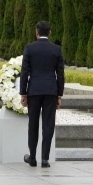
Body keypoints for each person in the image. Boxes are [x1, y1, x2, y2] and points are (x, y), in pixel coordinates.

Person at [20, 20, 65, 168]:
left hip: (34, 90)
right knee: (48, 124)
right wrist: (59, 95)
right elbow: (60, 74)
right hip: (51, 91)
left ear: (36, 32)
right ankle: (45, 158)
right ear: (50, 32)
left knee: (33, 124)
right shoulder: (56, 49)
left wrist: (23, 93)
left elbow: (25, 72)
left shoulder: (30, 48)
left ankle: (32, 157)